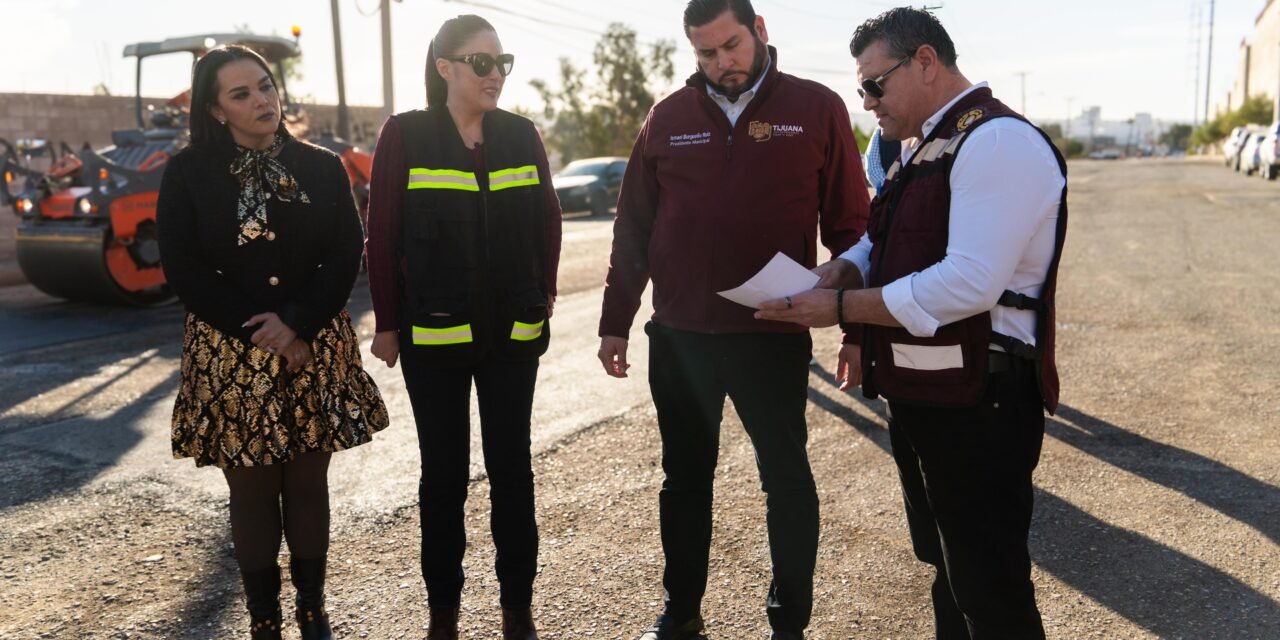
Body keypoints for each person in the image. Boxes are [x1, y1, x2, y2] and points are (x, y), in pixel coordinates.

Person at [755, 8, 1067, 639]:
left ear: (926, 61)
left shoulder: (996, 142)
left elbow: (969, 283)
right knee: (950, 572)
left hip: (983, 403)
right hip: (929, 396)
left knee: (991, 586)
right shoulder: (925, 145)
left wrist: (840, 310)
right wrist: (843, 269)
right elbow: (886, 237)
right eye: (861, 87)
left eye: (875, 83)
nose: (866, 100)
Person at [597, 1, 870, 637]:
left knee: (787, 479)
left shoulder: (816, 107)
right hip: (681, 339)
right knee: (684, 481)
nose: (722, 63)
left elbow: (854, 228)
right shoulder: (667, 116)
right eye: (705, 53)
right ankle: (682, 611)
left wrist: (855, 328)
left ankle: (789, 621)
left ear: (761, 33)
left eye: (731, 46)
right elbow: (634, 225)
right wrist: (616, 320)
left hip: (770, 336)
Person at [157, 45, 389, 640]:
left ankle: (312, 608)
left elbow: (345, 252)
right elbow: (182, 269)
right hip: (232, 353)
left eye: (265, 86)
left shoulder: (322, 164)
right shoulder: (186, 173)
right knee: (254, 490)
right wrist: (260, 329)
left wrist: (299, 323)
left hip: (315, 341)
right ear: (215, 110)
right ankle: (265, 618)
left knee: (308, 482)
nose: (263, 100)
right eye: (242, 94)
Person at [364, 14, 562, 640]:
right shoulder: (406, 135)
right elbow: (383, 233)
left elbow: (548, 224)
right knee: (442, 479)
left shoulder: (520, 134)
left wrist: (543, 295)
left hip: (512, 337)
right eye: (482, 63)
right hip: (435, 338)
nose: (496, 74)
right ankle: (442, 617)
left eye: (503, 62)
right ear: (445, 67)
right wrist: (389, 323)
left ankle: (517, 612)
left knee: (513, 472)